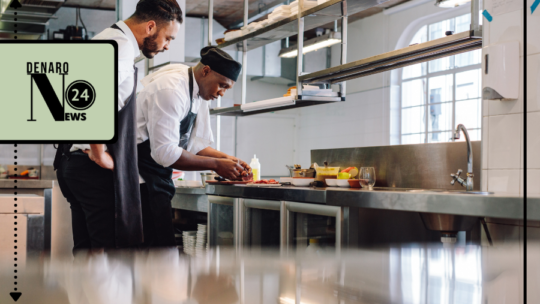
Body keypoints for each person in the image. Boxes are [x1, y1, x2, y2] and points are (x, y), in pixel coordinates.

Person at [53, 0, 183, 251]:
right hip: (89, 166)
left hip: (72, 162)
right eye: (169, 38)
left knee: (87, 254)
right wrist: (100, 154)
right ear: (151, 26)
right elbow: (95, 101)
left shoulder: (107, 39)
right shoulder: (120, 47)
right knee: (110, 257)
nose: (167, 46)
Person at [136, 46, 250, 247]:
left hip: (158, 177)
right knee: (153, 251)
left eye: (227, 88)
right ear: (205, 71)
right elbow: (165, 153)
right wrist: (216, 165)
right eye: (221, 85)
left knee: (162, 249)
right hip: (139, 178)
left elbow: (196, 145)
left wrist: (228, 160)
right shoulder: (171, 89)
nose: (221, 93)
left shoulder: (200, 93)